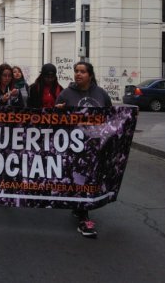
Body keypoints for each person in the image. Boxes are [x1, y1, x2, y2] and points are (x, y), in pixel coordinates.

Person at [55, 61, 112, 239]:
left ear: (90, 75)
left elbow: (111, 116)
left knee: (89, 179)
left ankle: (80, 209)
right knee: (78, 178)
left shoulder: (101, 94)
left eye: (82, 72)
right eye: (76, 71)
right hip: (74, 146)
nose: (78, 74)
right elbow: (54, 119)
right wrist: (59, 112)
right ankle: (83, 216)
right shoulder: (66, 94)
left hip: (95, 146)